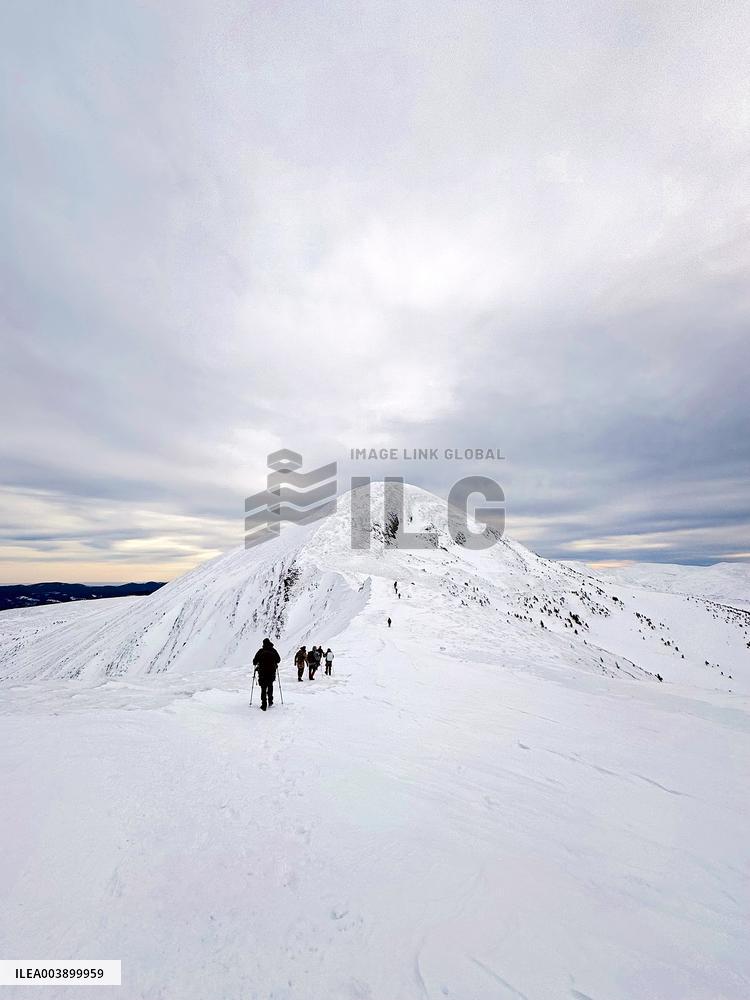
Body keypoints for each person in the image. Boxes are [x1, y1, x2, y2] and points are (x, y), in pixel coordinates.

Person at [252, 637, 280, 711]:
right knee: (270, 686)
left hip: (262, 673)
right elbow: (278, 660)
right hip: (271, 672)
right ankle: (270, 701)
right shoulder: (273, 650)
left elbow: (254, 661)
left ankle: (264, 704)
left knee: (263, 688)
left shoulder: (261, 651)